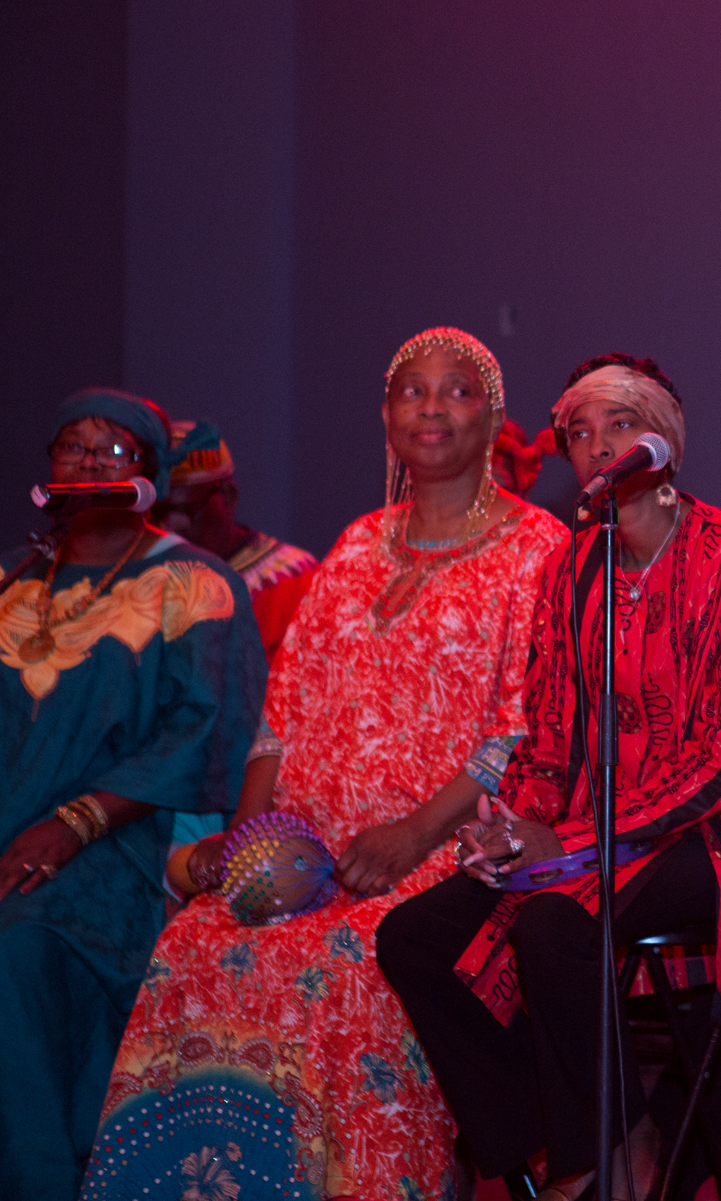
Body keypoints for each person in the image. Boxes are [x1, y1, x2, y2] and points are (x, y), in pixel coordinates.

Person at [83, 328, 569, 1201]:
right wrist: (245, 843)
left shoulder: (541, 549)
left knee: (350, 961)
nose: (431, 406)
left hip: (446, 853)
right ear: (386, 416)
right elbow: (282, 715)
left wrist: (411, 835)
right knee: (196, 941)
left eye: (456, 390)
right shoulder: (355, 544)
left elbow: (521, 730)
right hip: (307, 844)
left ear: (493, 415)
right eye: (411, 390)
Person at [377, 353, 721, 1201]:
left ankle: (607, 1154)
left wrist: (571, 843)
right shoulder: (573, 567)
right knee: (412, 935)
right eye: (580, 432)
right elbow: (549, 731)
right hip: (595, 839)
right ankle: (561, 1146)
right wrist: (512, 828)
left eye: (621, 423)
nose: (599, 444)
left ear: (666, 441)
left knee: (551, 923)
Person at [0, 388, 265, 1198]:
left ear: (149, 473)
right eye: (71, 444)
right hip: (14, 831)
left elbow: (204, 727)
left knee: (19, 946)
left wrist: (74, 822)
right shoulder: (14, 579)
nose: (87, 459)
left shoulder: (194, 582)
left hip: (123, 847)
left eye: (110, 448)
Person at [156, 421, 320, 664]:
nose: (168, 528)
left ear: (228, 496)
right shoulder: (140, 577)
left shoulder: (293, 582)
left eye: (183, 511)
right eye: (155, 515)